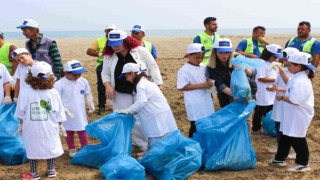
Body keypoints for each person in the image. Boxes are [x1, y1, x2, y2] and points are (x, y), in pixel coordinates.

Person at [101, 29, 162, 159]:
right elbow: (105, 72)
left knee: (141, 117)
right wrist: (107, 85)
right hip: (120, 91)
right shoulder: (109, 56)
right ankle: (125, 144)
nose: (115, 46)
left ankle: (143, 144)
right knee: (122, 116)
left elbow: (153, 66)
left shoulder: (140, 51)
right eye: (112, 43)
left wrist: (156, 85)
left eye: (118, 43)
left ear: (126, 41)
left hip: (139, 89)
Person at [14, 61, 67, 179]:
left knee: (32, 148)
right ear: (51, 76)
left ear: (30, 76)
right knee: (51, 146)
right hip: (50, 126)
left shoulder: (25, 91)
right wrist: (60, 125)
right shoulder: (53, 92)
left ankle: (33, 173)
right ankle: (51, 170)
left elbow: (21, 110)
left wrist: (21, 124)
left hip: (31, 127)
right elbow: (59, 111)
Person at [269, 51, 315, 172]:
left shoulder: (301, 81)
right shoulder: (298, 76)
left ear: (299, 66)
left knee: (297, 138)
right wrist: (280, 70)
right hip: (292, 113)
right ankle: (279, 158)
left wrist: (281, 97)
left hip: (299, 114)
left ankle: (303, 163)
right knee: (286, 135)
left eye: (290, 65)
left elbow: (296, 100)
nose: (287, 67)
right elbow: (288, 82)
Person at [116, 63, 178, 153]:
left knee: (156, 136)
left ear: (132, 73)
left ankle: (155, 156)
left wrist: (128, 111)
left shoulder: (141, 85)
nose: (126, 79)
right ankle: (151, 152)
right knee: (159, 133)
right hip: (159, 112)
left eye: (125, 76)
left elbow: (142, 102)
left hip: (155, 114)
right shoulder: (146, 82)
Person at [55, 60, 95, 157]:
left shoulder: (83, 82)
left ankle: (85, 148)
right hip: (66, 112)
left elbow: (88, 93)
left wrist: (90, 102)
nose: (78, 76)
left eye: (79, 73)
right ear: (66, 73)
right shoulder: (59, 84)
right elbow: (56, 98)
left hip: (80, 111)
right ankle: (72, 148)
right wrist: (62, 109)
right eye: (75, 74)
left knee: (82, 129)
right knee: (68, 130)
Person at [177, 43, 215, 138]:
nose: (199, 60)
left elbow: (205, 77)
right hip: (194, 101)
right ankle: (192, 145)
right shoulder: (184, 70)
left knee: (207, 121)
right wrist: (202, 85)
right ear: (189, 56)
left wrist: (209, 81)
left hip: (206, 98)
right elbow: (181, 87)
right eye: (196, 57)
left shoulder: (203, 66)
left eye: (202, 57)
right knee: (195, 124)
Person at [267, 47, 298, 159]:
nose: (284, 62)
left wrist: (280, 89)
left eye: (287, 60)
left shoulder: (297, 75)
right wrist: (273, 87)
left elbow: (293, 90)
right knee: (278, 125)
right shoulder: (283, 71)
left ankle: (291, 151)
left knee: (288, 128)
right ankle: (280, 146)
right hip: (279, 102)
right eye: (284, 60)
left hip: (289, 102)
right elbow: (278, 83)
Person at [207, 38, 254, 108]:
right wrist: (238, 95)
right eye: (220, 52)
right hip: (227, 95)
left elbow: (252, 73)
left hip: (245, 91)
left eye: (227, 52)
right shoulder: (212, 67)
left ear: (230, 52)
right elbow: (220, 85)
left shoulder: (236, 59)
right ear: (215, 52)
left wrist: (244, 68)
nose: (224, 55)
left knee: (245, 114)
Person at [251, 44, 282, 134]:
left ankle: (266, 127)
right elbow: (261, 78)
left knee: (269, 110)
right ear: (268, 54)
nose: (275, 59)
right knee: (259, 111)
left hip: (270, 91)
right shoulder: (261, 63)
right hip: (262, 91)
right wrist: (275, 79)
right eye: (274, 56)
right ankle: (256, 128)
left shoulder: (271, 63)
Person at [86, 24, 116, 115]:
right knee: (101, 86)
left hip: (115, 64)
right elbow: (89, 51)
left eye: (112, 30)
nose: (110, 32)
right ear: (105, 31)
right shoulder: (99, 40)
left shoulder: (118, 39)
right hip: (101, 65)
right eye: (108, 30)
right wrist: (101, 54)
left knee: (116, 85)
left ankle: (115, 106)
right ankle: (102, 107)